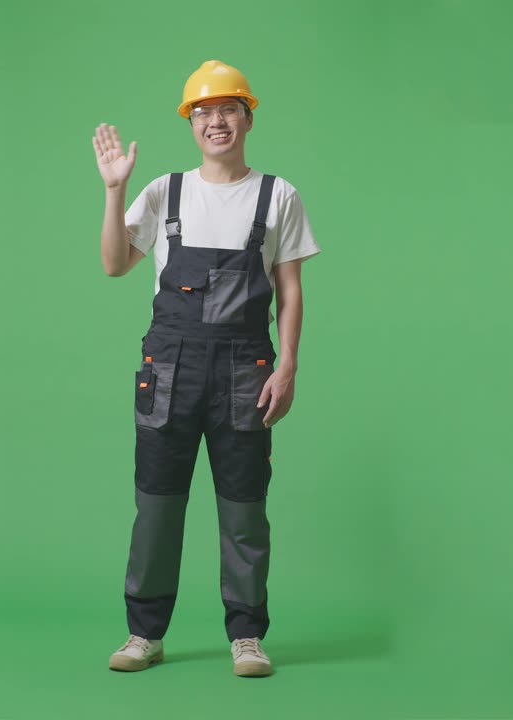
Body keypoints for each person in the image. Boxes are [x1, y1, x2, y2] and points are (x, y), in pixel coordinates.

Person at [92, 59, 320, 678]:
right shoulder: (163, 192)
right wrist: (115, 190)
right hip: (170, 368)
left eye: (226, 110)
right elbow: (115, 264)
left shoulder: (280, 196)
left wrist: (289, 366)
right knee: (158, 506)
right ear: (191, 124)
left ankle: (247, 637)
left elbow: (290, 291)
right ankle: (144, 633)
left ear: (246, 117)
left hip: (246, 369)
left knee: (244, 509)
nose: (215, 121)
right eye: (202, 112)